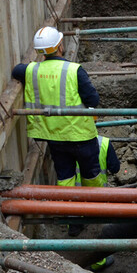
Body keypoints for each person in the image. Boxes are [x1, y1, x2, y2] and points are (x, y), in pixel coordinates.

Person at [12, 26, 106, 187]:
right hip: (81, 135)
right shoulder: (74, 70)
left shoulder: (32, 70)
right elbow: (93, 100)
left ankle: (67, 209)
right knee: (91, 175)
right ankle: (95, 207)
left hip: (54, 137)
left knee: (65, 176)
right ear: (60, 46)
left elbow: (17, 70)